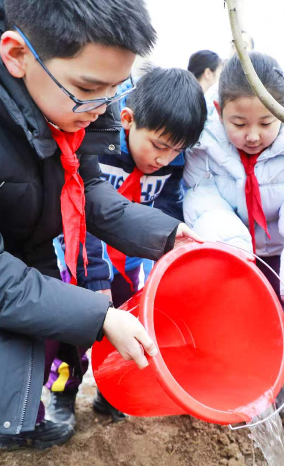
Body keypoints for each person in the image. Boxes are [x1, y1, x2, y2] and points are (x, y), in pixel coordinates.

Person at [0, 0, 202, 461]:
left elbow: (84, 188)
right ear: (16, 54)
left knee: (18, 359)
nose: (103, 107)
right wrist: (99, 316)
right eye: (89, 88)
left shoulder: (67, 103)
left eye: (116, 89)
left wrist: (169, 236)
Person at [183, 52, 284, 419]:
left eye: (266, 122)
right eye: (238, 123)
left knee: (275, 319)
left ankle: (267, 381)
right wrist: (234, 255)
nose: (253, 135)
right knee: (225, 314)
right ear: (219, 110)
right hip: (228, 248)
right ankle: (217, 381)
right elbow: (204, 201)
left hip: (280, 252)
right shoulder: (203, 143)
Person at [44, 66, 207, 428]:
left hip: (130, 265)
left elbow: (167, 210)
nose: (163, 159)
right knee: (73, 331)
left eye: (176, 151)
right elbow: (81, 213)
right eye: (159, 146)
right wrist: (94, 279)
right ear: (129, 120)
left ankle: (111, 391)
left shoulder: (172, 164)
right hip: (81, 259)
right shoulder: (98, 148)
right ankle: (62, 394)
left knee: (130, 327)